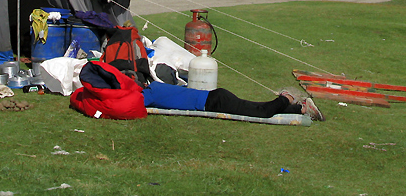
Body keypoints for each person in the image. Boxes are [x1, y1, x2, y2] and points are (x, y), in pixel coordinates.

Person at [129, 70, 325, 121]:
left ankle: (286, 97)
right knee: (256, 107)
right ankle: (301, 108)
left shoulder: (150, 94)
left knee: (262, 112)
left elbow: (130, 107)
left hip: (213, 102)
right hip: (215, 98)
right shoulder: (155, 87)